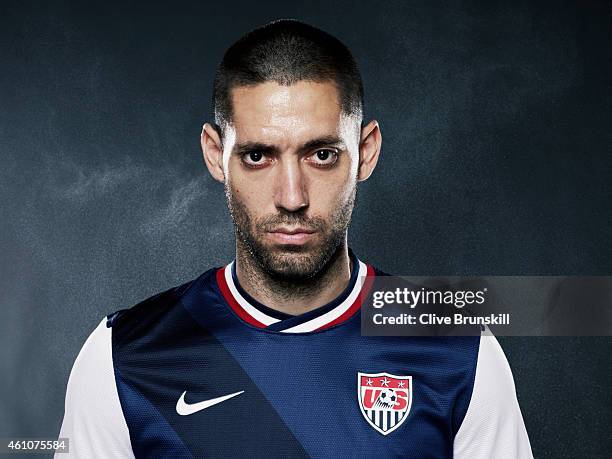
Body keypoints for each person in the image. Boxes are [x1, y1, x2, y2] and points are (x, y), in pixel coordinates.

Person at [57, 19, 532, 458]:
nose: (291, 197)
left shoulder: (459, 351)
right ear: (215, 155)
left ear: (365, 153)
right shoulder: (122, 358)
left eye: (321, 154)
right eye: (258, 156)